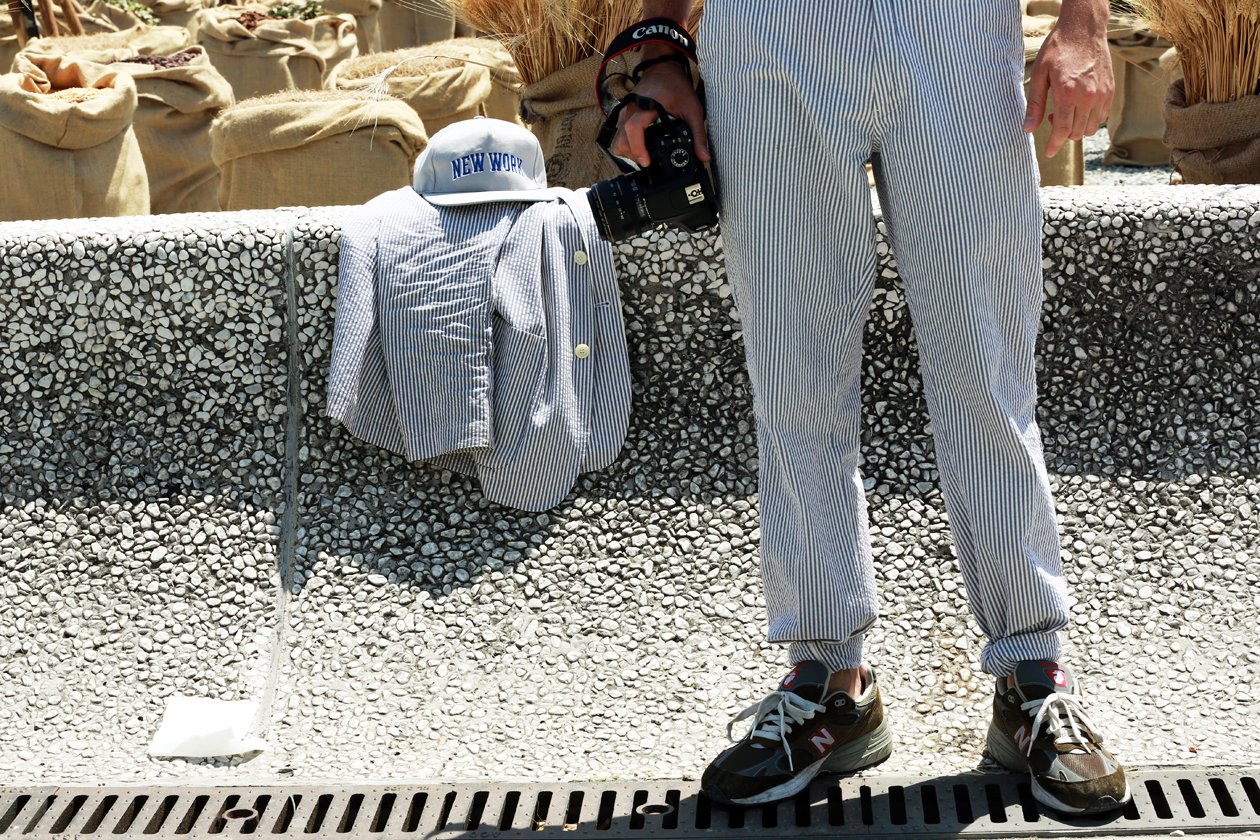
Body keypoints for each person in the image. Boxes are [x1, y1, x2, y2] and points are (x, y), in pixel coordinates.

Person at [610, 0, 1130, 816]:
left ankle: (1033, 675)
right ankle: (829, 686)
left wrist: (1085, 21)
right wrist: (662, 43)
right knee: (795, 381)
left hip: (954, 32)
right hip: (770, 38)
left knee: (986, 373)